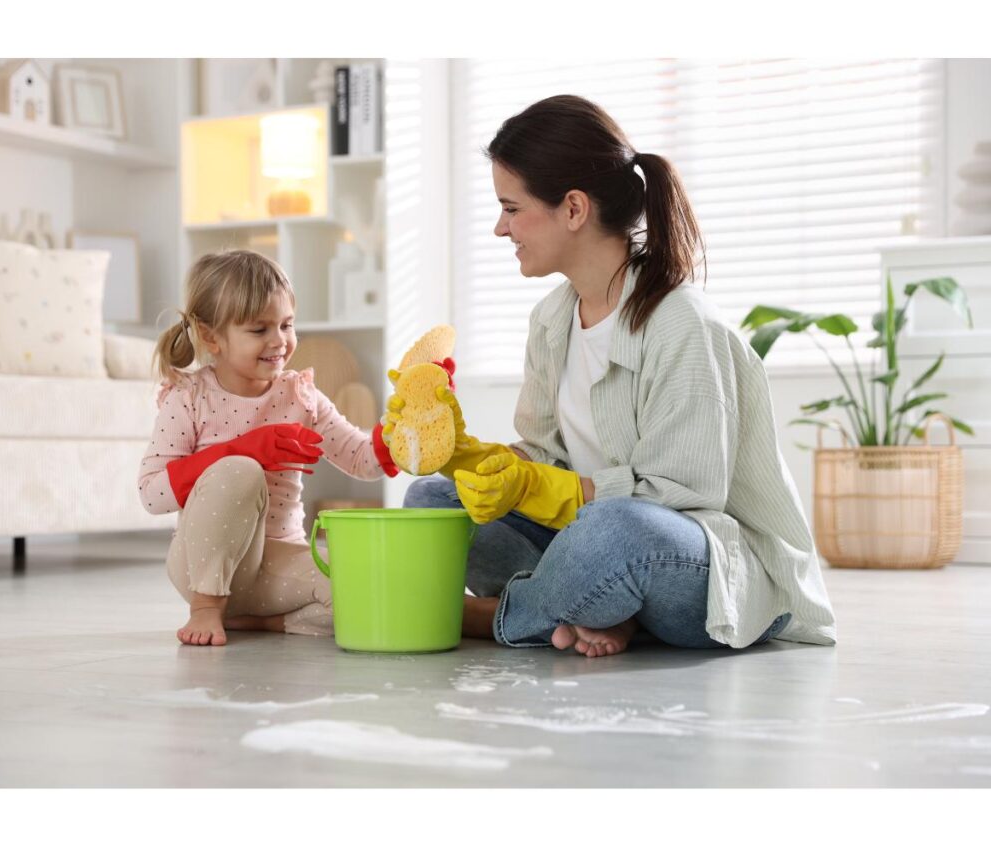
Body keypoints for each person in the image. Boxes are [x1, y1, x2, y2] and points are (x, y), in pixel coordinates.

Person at [396, 95, 836, 658]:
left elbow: (682, 495)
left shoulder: (684, 324)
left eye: (511, 208)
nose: (499, 229)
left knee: (612, 533)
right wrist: (461, 453)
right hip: (592, 543)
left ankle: (497, 617)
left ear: (573, 209)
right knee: (433, 500)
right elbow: (542, 458)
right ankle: (593, 612)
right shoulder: (552, 319)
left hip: (697, 562)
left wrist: (543, 491)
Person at [139, 249, 397, 646]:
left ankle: (254, 622)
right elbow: (152, 495)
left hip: (277, 564)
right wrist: (240, 450)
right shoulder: (189, 397)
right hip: (201, 565)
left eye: (287, 325)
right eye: (259, 330)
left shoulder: (300, 395)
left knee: (368, 589)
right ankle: (208, 609)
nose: (279, 341)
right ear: (212, 337)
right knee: (240, 470)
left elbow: (363, 459)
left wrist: (406, 426)